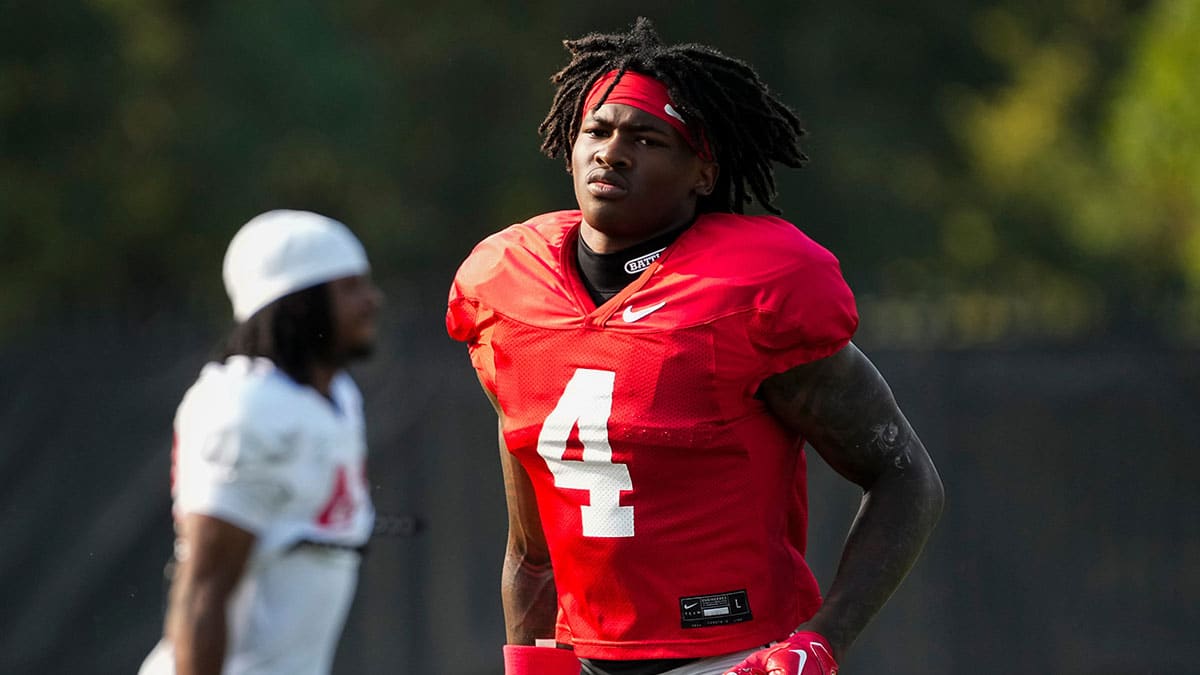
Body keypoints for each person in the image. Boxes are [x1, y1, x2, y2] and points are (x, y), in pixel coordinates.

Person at [447, 17, 945, 675]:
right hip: (586, 657)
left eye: (647, 138)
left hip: (736, 656)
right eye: (597, 131)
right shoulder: (509, 287)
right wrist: (531, 658)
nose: (612, 152)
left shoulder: (751, 288)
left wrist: (823, 639)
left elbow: (907, 477)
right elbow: (534, 543)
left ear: (702, 173)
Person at [139, 209, 383, 675]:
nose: (372, 300)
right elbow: (203, 589)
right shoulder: (245, 408)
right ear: (297, 301)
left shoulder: (338, 397)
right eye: (350, 287)